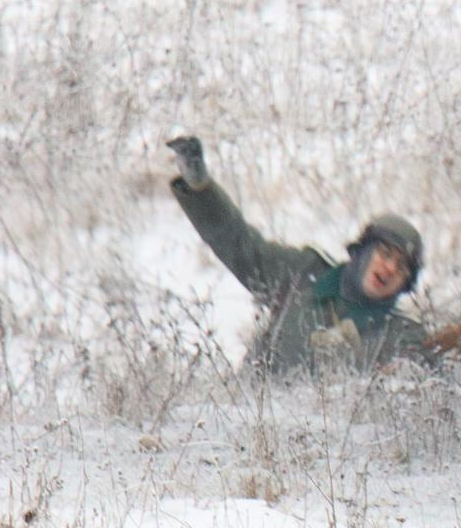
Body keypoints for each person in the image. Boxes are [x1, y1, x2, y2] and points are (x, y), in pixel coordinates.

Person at [166, 135, 432, 374]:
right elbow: (239, 244)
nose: (389, 269)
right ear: (362, 250)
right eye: (385, 254)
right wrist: (201, 190)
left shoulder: (400, 335)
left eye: (401, 268)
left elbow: (431, 382)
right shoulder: (301, 274)